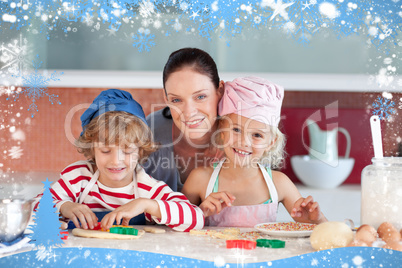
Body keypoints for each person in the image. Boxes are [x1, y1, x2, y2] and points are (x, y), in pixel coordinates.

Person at [34, 89, 204, 232]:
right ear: (92, 148)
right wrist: (64, 206)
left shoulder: (146, 188)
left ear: (140, 150)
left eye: (128, 151)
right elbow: (33, 206)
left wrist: (146, 205)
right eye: (106, 150)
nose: (116, 161)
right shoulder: (78, 178)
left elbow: (196, 218)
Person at [182, 77, 328, 227]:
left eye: (257, 135)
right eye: (236, 130)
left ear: (270, 143)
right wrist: (199, 213)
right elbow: (174, 230)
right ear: (222, 131)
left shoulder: (279, 183)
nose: (244, 142)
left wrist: (316, 220)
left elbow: (318, 230)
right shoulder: (199, 180)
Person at [144, 47, 225, 191]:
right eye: (176, 100)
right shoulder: (150, 130)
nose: (188, 112)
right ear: (166, 98)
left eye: (200, 97)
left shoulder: (242, 136)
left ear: (220, 90)